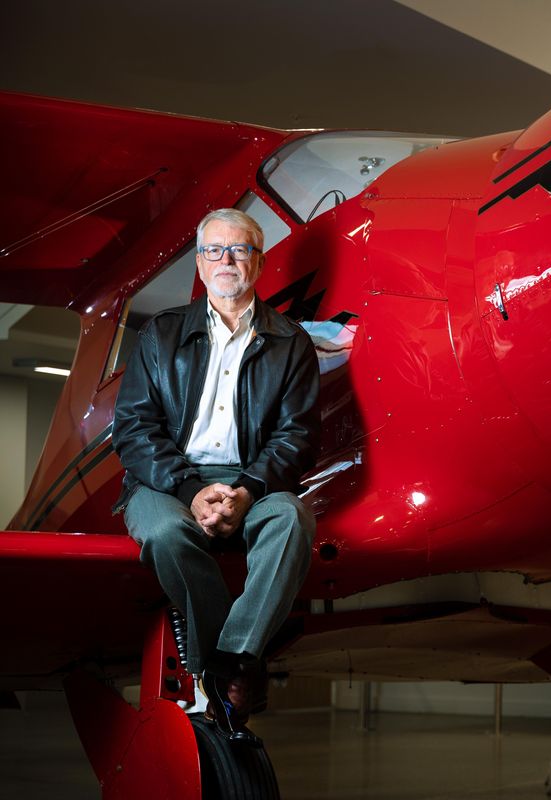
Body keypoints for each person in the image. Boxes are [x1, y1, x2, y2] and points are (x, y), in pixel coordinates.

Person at [112, 208, 320, 745]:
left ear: (259, 261)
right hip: (166, 482)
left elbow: (297, 436)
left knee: (292, 520)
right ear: (201, 264)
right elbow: (134, 428)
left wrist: (248, 490)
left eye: (240, 250)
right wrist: (190, 489)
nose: (226, 260)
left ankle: (230, 662)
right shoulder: (160, 334)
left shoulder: (291, 341)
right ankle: (228, 671)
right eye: (214, 251)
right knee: (165, 533)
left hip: (256, 479)